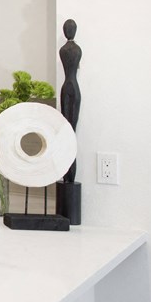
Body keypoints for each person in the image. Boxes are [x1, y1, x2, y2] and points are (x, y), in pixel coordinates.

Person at [60, 19, 82, 183]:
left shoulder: (63, 50)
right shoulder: (77, 50)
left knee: (68, 130)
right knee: (70, 130)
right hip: (74, 86)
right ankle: (69, 173)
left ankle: (68, 173)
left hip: (65, 87)